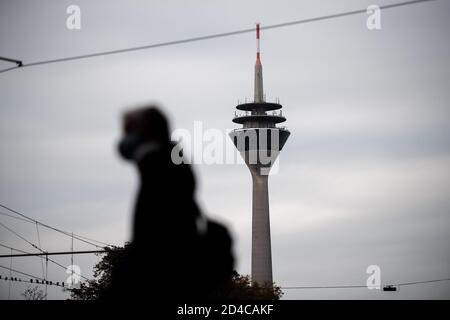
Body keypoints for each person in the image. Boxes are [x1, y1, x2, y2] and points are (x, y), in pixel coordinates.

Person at [103, 105, 234, 300]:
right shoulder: (171, 160)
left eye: (129, 131)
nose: (124, 139)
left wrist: (123, 279)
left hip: (164, 280)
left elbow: (152, 242)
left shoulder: (157, 167)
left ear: (143, 135)